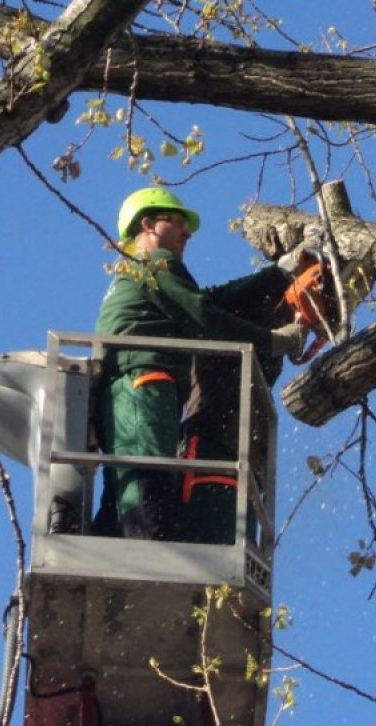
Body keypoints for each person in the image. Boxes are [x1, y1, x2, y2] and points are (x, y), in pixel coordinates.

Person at [91, 186, 309, 541]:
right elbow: (204, 317)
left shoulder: (137, 272)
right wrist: (273, 341)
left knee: (122, 488)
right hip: (143, 382)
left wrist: (278, 273)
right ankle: (152, 549)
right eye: (177, 222)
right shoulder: (153, 261)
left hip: (124, 390)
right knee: (147, 480)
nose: (186, 233)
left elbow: (209, 299)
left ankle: (108, 546)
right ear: (148, 224)